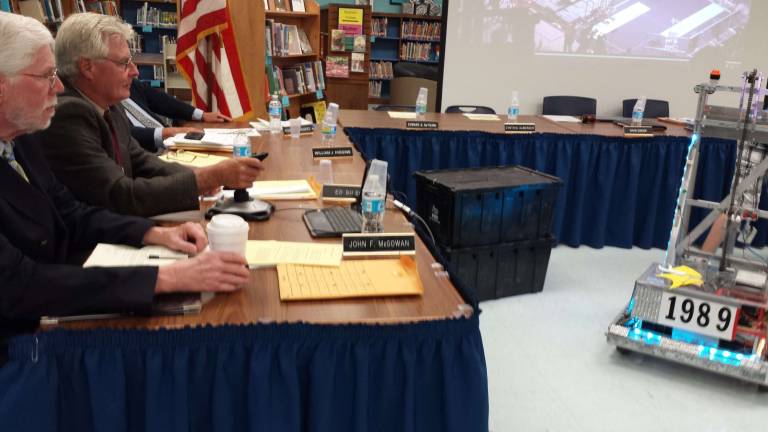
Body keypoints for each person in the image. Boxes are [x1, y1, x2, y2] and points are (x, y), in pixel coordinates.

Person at [0, 11, 250, 355]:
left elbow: (70, 213)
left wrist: (153, 234)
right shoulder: (50, 123)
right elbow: (19, 284)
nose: (58, 87)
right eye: (46, 76)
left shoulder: (20, 138)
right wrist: (166, 278)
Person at [36, 13, 264, 217]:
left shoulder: (109, 105)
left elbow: (142, 161)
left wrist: (203, 178)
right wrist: (207, 179)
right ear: (87, 68)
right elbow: (119, 195)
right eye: (124, 63)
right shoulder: (68, 114)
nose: (135, 71)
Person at [125, 78, 231, 153]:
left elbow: (160, 99)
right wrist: (170, 132)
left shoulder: (130, 84)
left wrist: (201, 115)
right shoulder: (110, 107)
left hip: (171, 148)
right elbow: (125, 135)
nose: (135, 71)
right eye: (125, 63)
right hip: (151, 158)